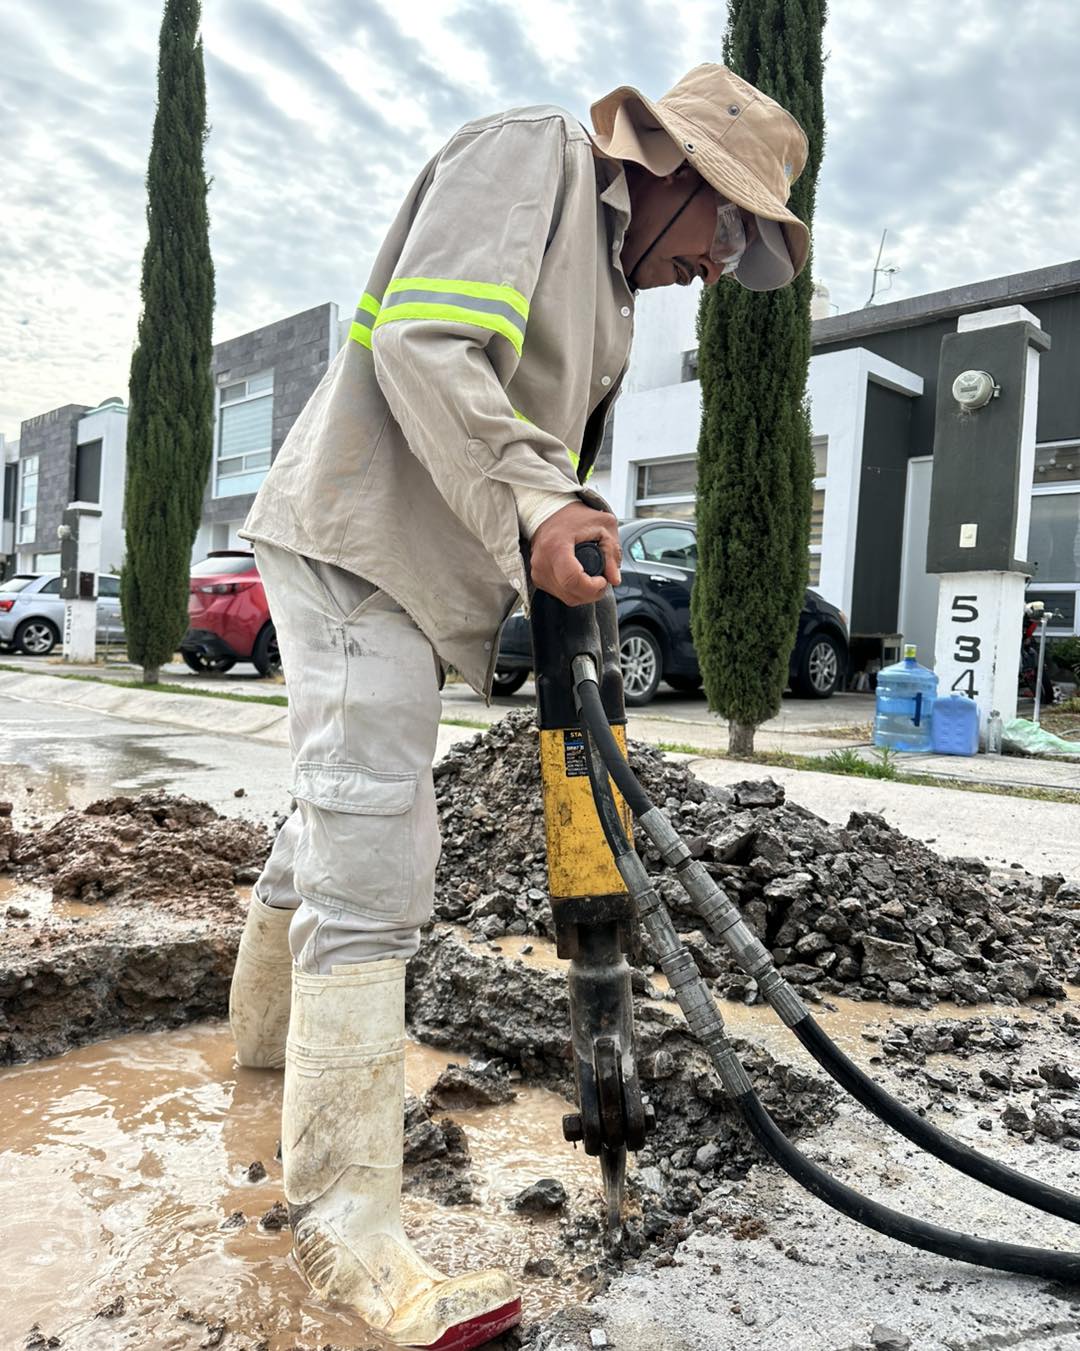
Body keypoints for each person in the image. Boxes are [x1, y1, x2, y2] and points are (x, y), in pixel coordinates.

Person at [228, 63, 810, 1351]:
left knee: (338, 814)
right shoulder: (531, 157)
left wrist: (560, 541)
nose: (720, 266)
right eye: (728, 230)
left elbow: (545, 464)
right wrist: (539, 505)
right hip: (353, 543)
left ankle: (258, 1060)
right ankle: (343, 1227)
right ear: (675, 169)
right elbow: (427, 348)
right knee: (376, 843)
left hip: (425, 577)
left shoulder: (611, 291)